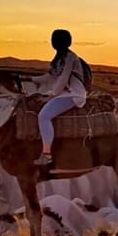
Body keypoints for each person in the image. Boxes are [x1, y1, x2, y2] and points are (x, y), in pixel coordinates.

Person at [27, 29, 87, 165]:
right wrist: (29, 79)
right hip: (64, 93)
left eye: (54, 40)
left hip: (73, 94)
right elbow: (50, 76)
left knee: (44, 116)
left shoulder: (70, 57)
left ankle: (47, 154)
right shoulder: (60, 58)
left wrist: (51, 96)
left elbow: (63, 78)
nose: (52, 42)